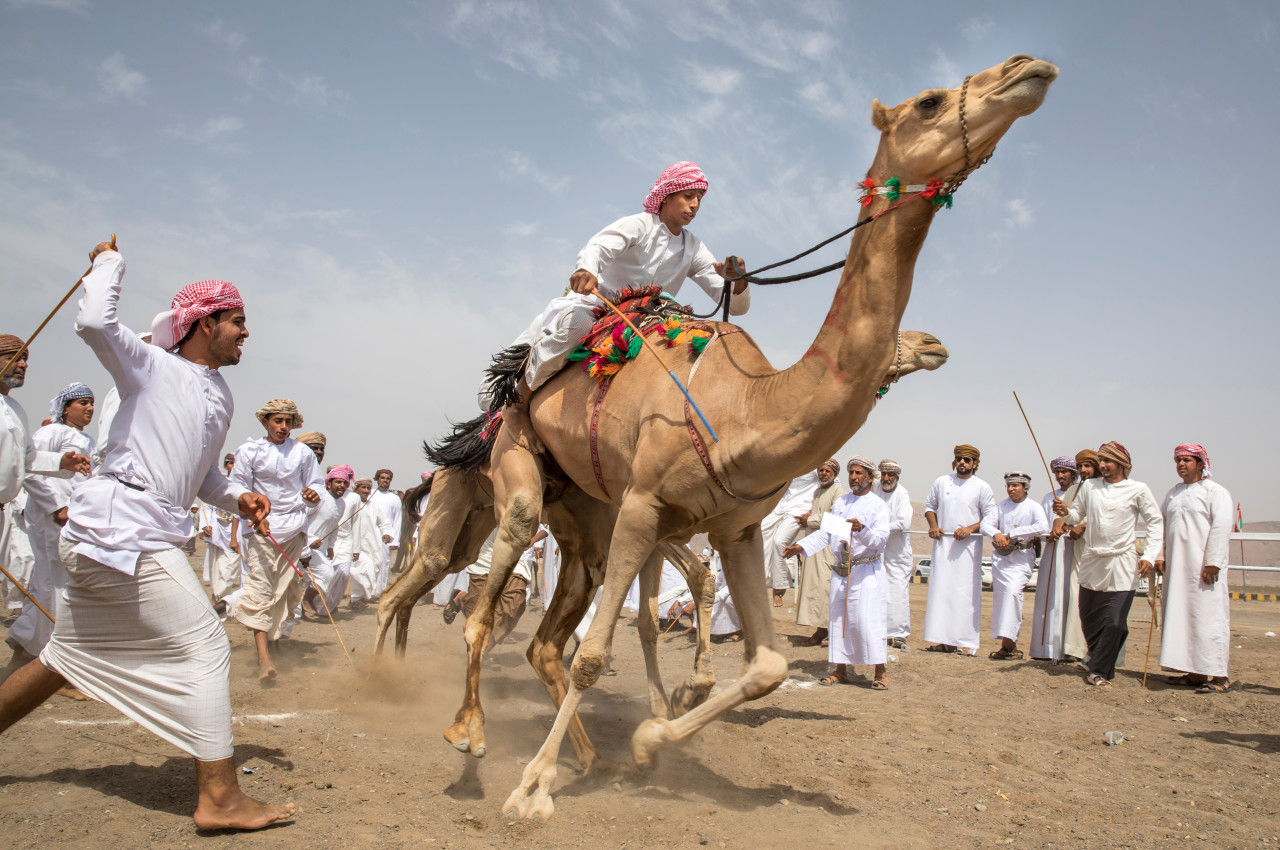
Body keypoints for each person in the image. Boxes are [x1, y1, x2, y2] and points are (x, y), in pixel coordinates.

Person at [0, 242, 291, 829]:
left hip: (130, 532)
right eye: (237, 321)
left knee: (65, 658)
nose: (245, 333)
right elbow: (92, 321)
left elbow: (201, 474)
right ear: (205, 323)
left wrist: (240, 497)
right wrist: (109, 262)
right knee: (208, 642)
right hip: (121, 530)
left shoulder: (220, 393)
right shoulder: (149, 364)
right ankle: (220, 799)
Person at [481, 161, 750, 408]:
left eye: (699, 200)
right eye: (688, 196)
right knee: (578, 326)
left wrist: (737, 281)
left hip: (644, 321)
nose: (694, 205)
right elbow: (598, 247)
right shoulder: (640, 225)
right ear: (667, 196)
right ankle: (520, 399)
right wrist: (587, 269)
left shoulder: (693, 247)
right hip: (597, 306)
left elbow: (732, 306)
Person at [1055, 441, 1163, 688]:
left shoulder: (1138, 489)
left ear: (1123, 465)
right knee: (1089, 617)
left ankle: (1100, 671)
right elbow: (1075, 516)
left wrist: (1148, 556)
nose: (1102, 465)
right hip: (1092, 559)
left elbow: (1155, 522)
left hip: (1122, 561)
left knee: (1115, 622)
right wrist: (1063, 511)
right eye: (1101, 460)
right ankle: (1095, 658)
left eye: (1108, 461)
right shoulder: (1090, 487)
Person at [229, 399, 322, 682]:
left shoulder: (302, 453)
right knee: (261, 588)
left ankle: (274, 640)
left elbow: (316, 483)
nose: (283, 427)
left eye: (288, 422)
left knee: (284, 591)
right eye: (278, 421)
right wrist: (255, 515)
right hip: (260, 528)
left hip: (293, 527)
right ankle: (263, 659)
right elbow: (237, 487)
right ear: (266, 422)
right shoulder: (249, 451)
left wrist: (313, 494)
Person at [8, 383, 97, 672]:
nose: (89, 408)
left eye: (91, 403)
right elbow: (29, 471)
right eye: (82, 402)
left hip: (77, 521)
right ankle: (48, 662)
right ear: (64, 407)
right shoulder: (51, 433)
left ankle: (30, 649)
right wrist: (56, 506)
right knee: (52, 584)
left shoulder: (86, 440)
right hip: (52, 518)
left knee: (66, 584)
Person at [785, 455, 890, 689]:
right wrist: (800, 547)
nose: (853, 477)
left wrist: (861, 530)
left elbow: (881, 540)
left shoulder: (878, 505)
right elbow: (827, 533)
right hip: (841, 571)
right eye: (851, 472)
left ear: (870, 478)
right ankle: (840, 669)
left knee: (867, 621)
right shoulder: (842, 503)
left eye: (859, 473)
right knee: (840, 621)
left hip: (866, 572)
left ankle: (880, 671)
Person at [1156, 444, 1233, 693]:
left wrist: (1213, 562)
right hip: (1177, 570)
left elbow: (1221, 527)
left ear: (1201, 464)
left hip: (1203, 570)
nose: (1181, 464)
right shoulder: (1172, 493)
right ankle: (1195, 673)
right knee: (1182, 618)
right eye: (1178, 460)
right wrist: (1160, 555)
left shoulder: (1215, 492)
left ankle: (1220, 676)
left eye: (1187, 460)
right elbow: (1161, 526)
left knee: (1208, 619)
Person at [0, 334, 88, 532]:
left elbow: (27, 457)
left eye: (25, 359)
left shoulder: (16, 409)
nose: (23, 365)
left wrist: (61, 462)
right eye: (13, 357)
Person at [922, 445, 997, 656]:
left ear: (975, 463)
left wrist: (970, 529)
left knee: (964, 594)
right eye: (959, 459)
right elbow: (930, 507)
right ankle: (942, 640)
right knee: (941, 591)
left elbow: (991, 516)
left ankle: (966, 642)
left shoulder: (982, 487)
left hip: (968, 550)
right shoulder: (941, 482)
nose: (962, 462)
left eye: (966, 459)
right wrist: (933, 526)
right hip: (943, 546)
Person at [986, 472, 1050, 660]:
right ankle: (1007, 646)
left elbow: (1043, 527)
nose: (1011, 489)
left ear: (1025, 488)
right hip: (1002, 558)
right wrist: (996, 534)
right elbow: (986, 524)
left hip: (1022, 558)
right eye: (1009, 485)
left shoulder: (1033, 507)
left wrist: (1014, 533)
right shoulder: (1001, 507)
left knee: (1013, 593)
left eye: (1015, 486)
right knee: (1002, 598)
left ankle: (1010, 643)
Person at [1029, 456, 1079, 661]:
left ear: (1073, 474)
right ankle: (1045, 649)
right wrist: (1047, 534)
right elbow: (1041, 523)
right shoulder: (1049, 497)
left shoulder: (1079, 494)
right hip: (1051, 550)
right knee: (1048, 597)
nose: (1060, 476)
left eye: (1064, 472)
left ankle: (1069, 650)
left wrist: (1066, 528)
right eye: (1057, 472)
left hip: (1071, 550)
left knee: (1069, 595)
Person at [795, 459, 845, 646]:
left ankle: (830, 632)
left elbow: (834, 518)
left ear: (835, 473)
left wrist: (810, 520)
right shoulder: (817, 491)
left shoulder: (838, 492)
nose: (823, 473)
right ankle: (820, 630)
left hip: (827, 547)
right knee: (813, 587)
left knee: (826, 588)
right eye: (821, 470)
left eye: (827, 470)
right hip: (812, 545)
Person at [761, 471, 820, 606]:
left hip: (799, 510)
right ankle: (764, 579)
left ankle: (779, 588)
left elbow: (834, 481)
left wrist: (813, 510)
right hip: (781, 506)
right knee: (761, 532)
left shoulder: (815, 463)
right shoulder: (792, 461)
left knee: (779, 541)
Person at [301, 466, 353, 619]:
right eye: (338, 482)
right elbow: (301, 518)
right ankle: (305, 601)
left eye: (345, 483)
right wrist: (310, 539)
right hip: (303, 545)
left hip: (321, 549)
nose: (342, 486)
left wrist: (330, 546)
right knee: (326, 574)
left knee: (319, 577)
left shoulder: (342, 504)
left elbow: (334, 526)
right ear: (329, 483)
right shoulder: (319, 497)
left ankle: (306, 603)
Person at [875, 458, 913, 649]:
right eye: (884, 474)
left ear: (897, 477)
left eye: (890, 475)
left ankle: (899, 634)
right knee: (879, 592)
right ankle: (881, 631)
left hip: (898, 554)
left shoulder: (902, 494)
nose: (886, 478)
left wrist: (878, 529)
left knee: (897, 593)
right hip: (878, 552)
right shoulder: (876, 490)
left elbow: (902, 523)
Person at [347, 477, 393, 607]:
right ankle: (355, 598)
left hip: (372, 544)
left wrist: (387, 534)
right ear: (356, 489)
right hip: (353, 544)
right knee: (362, 568)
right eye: (363, 487)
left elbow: (384, 522)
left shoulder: (373, 506)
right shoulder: (349, 504)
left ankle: (359, 599)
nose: (366, 490)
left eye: (368, 488)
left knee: (373, 565)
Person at [369, 469, 401, 592]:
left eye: (388, 478)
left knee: (383, 564)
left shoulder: (394, 498)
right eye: (382, 478)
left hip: (386, 537)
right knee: (369, 563)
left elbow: (397, 521)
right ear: (377, 479)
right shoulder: (370, 494)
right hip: (369, 534)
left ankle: (379, 592)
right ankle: (368, 591)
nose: (385, 480)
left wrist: (395, 541)